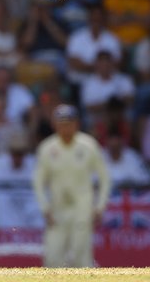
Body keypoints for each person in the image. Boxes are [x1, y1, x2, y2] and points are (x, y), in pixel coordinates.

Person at [33, 104, 110, 267]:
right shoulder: (47, 148)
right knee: (52, 258)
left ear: (77, 124)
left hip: (82, 208)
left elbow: (105, 178)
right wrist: (44, 207)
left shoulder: (88, 145)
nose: (65, 128)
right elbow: (38, 181)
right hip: (57, 209)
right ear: (54, 125)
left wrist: (100, 206)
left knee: (79, 257)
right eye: (61, 124)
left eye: (69, 123)